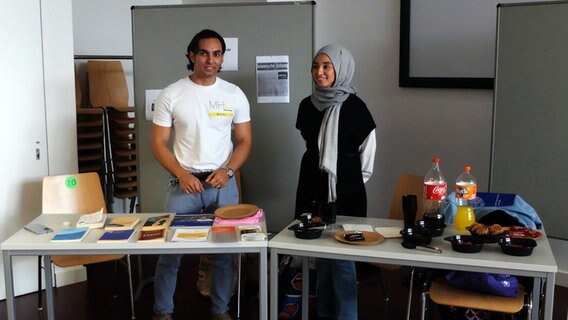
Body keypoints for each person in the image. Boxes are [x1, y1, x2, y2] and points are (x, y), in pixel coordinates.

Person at [151, 29, 252, 320]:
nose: (210, 60)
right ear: (191, 55)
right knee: (170, 253)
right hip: (185, 186)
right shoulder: (172, 93)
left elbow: (245, 140)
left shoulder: (233, 94)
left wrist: (228, 170)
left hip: (223, 185)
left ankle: (220, 310)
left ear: (222, 58)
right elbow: (158, 144)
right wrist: (182, 174)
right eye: (204, 53)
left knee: (224, 254)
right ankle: (162, 312)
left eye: (217, 54)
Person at [294, 44, 376, 320]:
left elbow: (367, 158)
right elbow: (311, 146)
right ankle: (325, 312)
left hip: (347, 190)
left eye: (326, 66)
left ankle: (346, 315)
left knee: (342, 256)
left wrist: (345, 180)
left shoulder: (356, 108)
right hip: (312, 185)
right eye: (316, 66)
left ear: (340, 69)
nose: (319, 72)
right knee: (320, 255)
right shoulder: (307, 105)